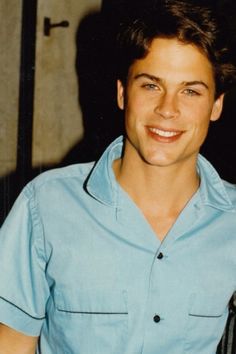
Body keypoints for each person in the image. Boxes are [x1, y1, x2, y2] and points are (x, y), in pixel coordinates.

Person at [0, 1, 236, 353]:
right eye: (151, 85)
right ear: (123, 93)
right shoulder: (46, 206)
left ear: (216, 105)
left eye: (190, 91)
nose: (167, 109)